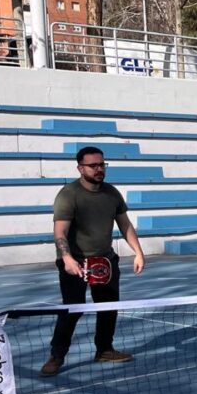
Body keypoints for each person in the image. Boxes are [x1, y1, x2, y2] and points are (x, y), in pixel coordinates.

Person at [40, 147, 146, 377]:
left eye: (102, 165)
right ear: (80, 168)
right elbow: (60, 231)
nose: (99, 169)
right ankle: (57, 356)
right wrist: (67, 258)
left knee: (108, 307)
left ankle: (104, 350)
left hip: (105, 261)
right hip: (75, 262)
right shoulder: (69, 195)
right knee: (72, 309)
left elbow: (125, 225)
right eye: (93, 165)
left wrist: (138, 252)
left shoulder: (111, 193)